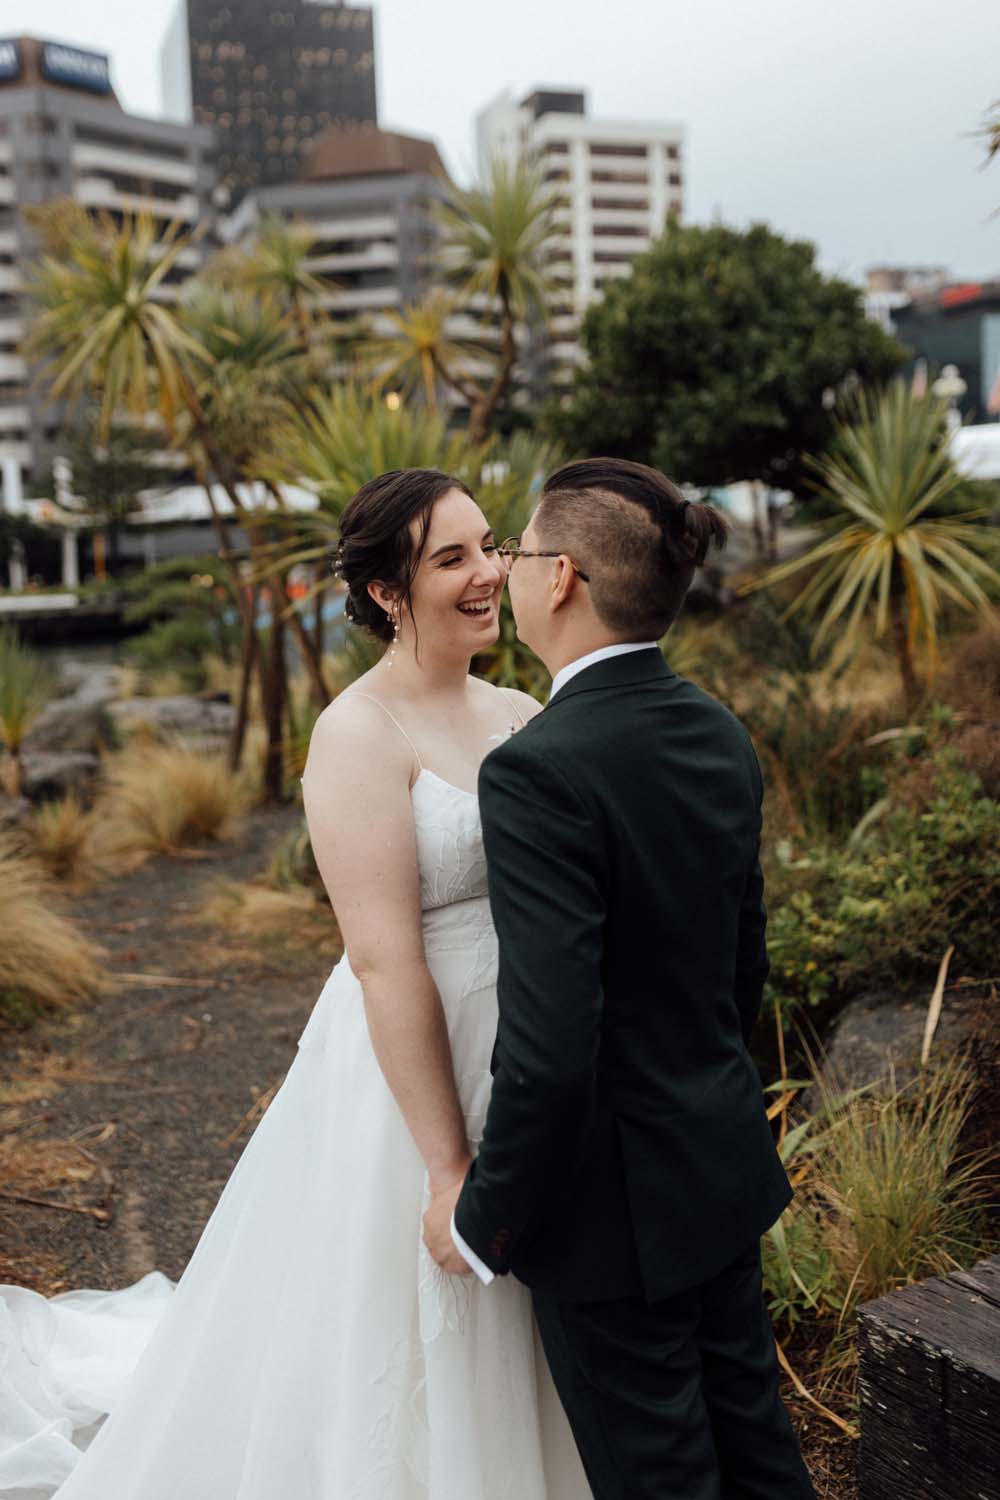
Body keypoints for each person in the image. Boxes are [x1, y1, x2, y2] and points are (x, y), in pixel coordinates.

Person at [0, 468, 586, 1500]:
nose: (488, 573)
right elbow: (381, 959)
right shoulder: (357, 734)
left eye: (488, 546)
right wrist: (449, 1169)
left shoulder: (518, 709)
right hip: (417, 1055)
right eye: (450, 558)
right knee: (416, 1317)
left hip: (527, 1043)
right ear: (387, 595)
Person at [424, 457, 817, 1500]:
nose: (497, 572)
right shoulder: (715, 729)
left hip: (609, 1216)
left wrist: (485, 1217)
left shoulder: (540, 768)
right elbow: (740, 973)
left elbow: (553, 1046)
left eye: (507, 552)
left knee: (661, 1479)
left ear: (558, 578)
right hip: (717, 1168)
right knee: (759, 1454)